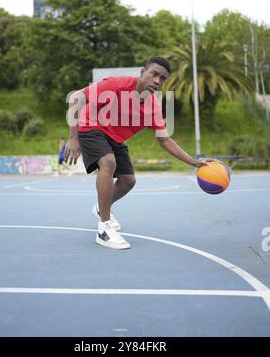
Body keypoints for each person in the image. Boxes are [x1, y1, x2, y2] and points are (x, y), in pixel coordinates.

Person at [65, 56, 214, 250]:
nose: (157, 81)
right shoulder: (116, 85)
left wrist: (194, 162)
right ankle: (104, 229)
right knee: (108, 162)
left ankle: (102, 208)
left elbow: (165, 140)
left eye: (162, 79)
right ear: (143, 73)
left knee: (128, 181)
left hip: (114, 137)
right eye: (154, 74)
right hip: (91, 125)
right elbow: (76, 97)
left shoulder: (152, 108)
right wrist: (73, 138)